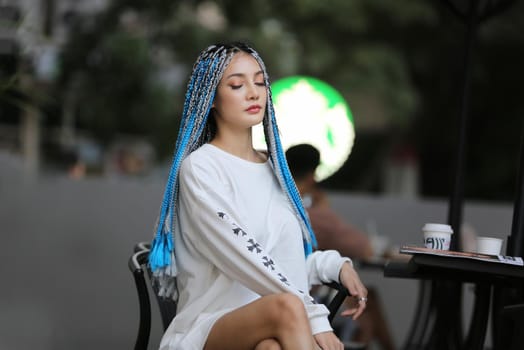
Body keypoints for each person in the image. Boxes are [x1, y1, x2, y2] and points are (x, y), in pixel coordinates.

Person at [148, 42, 368, 350]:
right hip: (210, 324)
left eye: (260, 82)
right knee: (288, 306)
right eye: (237, 84)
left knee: (271, 348)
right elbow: (246, 256)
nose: (253, 92)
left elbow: (281, 259)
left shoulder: (275, 170)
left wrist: (333, 265)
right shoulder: (200, 169)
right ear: (210, 98)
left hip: (269, 326)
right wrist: (315, 317)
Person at [286, 144, 396, 350]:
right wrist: (323, 208)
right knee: (366, 301)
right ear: (312, 176)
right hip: (311, 295)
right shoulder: (314, 214)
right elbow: (365, 249)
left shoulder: (280, 202)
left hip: (286, 292)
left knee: (366, 297)